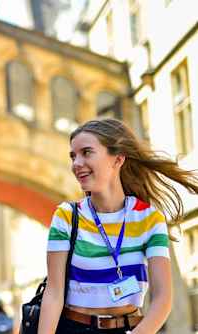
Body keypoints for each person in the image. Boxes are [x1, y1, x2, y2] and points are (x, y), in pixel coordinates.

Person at [38, 119, 198, 333]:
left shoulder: (149, 219)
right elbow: (54, 293)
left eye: (86, 152)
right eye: (73, 156)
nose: (76, 163)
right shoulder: (66, 217)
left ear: (118, 159)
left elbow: (163, 297)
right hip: (75, 327)